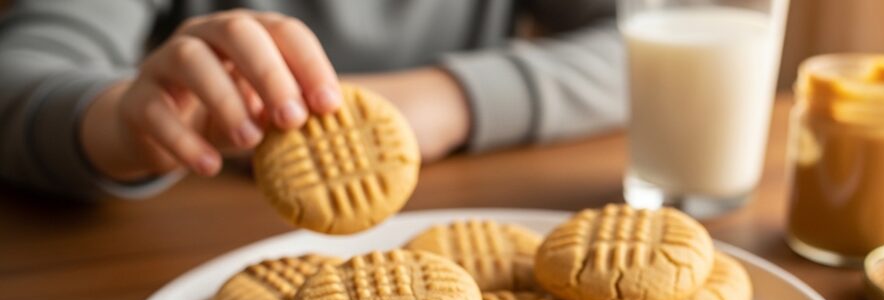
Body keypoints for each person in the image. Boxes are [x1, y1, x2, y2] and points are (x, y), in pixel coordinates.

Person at [0, 1, 624, 200]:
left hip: (460, 196)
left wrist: (450, 100)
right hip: (199, 219)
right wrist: (122, 124)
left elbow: (645, 35)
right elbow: (21, 66)